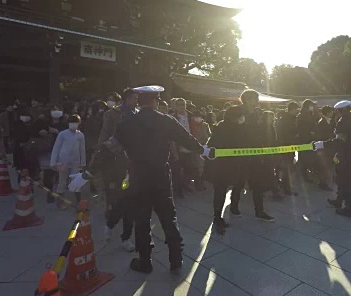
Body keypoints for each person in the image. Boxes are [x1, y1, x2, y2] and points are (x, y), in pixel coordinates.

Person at [115, 85, 211, 273]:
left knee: (142, 220)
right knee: (169, 217)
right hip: (160, 176)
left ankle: (145, 261)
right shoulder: (167, 120)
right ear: (155, 102)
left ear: (139, 102)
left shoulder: (126, 123)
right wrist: (205, 151)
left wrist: (88, 173)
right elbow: (188, 140)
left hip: (138, 177)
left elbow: (110, 147)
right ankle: (176, 259)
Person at [313, 100, 351, 218]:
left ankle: (348, 208)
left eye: (338, 111)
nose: (337, 113)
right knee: (342, 179)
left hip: (344, 156)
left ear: (342, 110)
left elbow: (339, 141)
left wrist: (323, 144)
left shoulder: (342, 122)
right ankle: (339, 200)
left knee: (346, 181)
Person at [88, 136, 135, 252]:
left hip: (128, 181)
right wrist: (85, 175)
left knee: (129, 211)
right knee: (119, 208)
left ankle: (125, 238)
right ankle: (110, 225)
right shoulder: (108, 146)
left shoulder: (132, 143)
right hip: (113, 183)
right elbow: (96, 163)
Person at [236, 89, 275, 221]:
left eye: (257, 98)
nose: (256, 101)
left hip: (257, 152)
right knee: (239, 181)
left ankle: (260, 210)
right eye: (254, 98)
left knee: (258, 182)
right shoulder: (237, 112)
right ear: (246, 99)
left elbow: (265, 130)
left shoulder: (259, 113)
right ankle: (234, 206)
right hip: (241, 152)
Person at [206, 105, 245, 233]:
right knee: (220, 192)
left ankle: (231, 209)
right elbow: (212, 145)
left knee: (231, 189)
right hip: (222, 167)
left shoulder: (235, 128)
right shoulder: (223, 128)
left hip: (233, 165)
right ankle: (217, 217)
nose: (242, 118)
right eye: (240, 116)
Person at [50, 114, 86, 209]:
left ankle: (79, 203)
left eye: (75, 122)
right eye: (71, 122)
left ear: (79, 123)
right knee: (62, 182)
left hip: (75, 163)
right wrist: (53, 162)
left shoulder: (80, 135)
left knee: (76, 182)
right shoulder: (62, 134)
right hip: (63, 162)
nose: (73, 124)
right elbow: (56, 148)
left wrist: (83, 163)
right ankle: (60, 202)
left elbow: (82, 150)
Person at [276, 101, 299, 195]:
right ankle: (287, 188)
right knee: (286, 168)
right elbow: (281, 134)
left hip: (291, 145)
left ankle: (285, 185)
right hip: (286, 146)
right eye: (296, 109)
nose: (297, 111)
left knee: (289, 167)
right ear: (291, 109)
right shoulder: (284, 120)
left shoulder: (293, 118)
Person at [315, 105, 335, 191]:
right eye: (331, 111)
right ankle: (323, 182)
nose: (332, 113)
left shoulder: (330, 122)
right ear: (327, 112)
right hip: (324, 147)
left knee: (329, 164)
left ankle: (327, 180)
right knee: (324, 165)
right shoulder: (322, 122)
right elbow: (319, 136)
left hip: (330, 146)